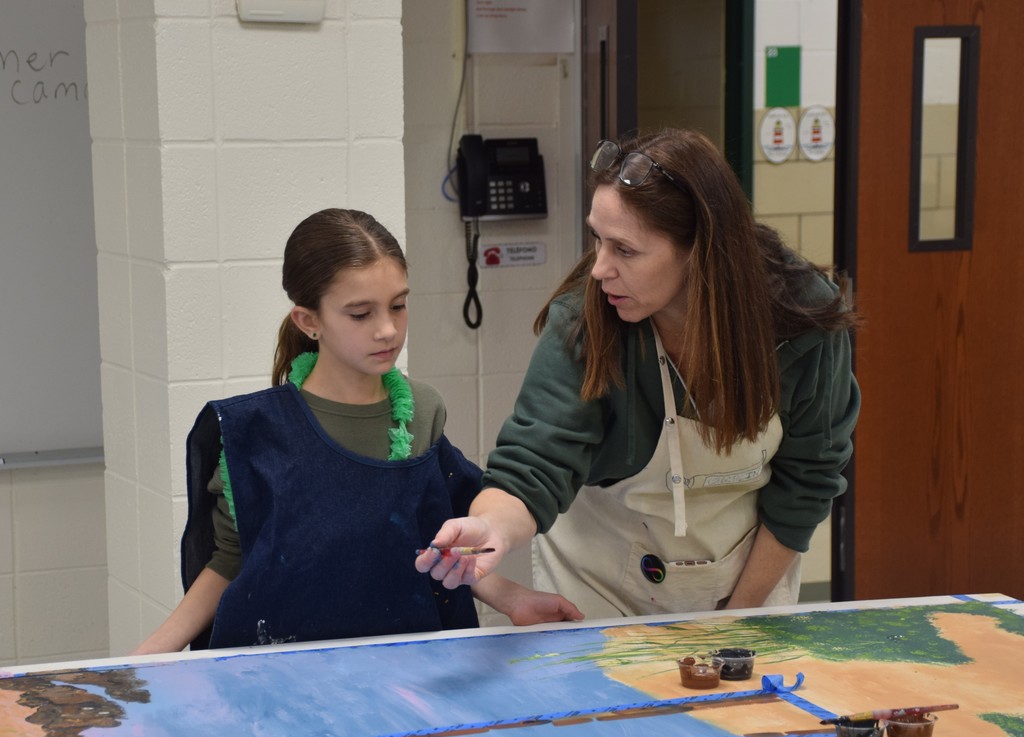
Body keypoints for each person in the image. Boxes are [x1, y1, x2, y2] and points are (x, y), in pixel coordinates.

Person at [417, 128, 861, 618]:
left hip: (746, 581)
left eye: (625, 250)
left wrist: (738, 617)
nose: (600, 269)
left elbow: (809, 479)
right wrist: (492, 528)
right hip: (601, 586)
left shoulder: (802, 320)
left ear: (701, 251)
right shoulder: (586, 322)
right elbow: (535, 461)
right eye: (597, 240)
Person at [133, 208, 581, 654]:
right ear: (309, 322)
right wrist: (142, 661)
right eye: (361, 314)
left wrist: (511, 596)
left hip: (410, 674)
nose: (387, 330)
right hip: (282, 682)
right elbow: (229, 561)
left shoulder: (420, 412)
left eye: (399, 305)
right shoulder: (251, 433)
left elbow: (433, 540)